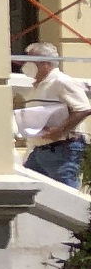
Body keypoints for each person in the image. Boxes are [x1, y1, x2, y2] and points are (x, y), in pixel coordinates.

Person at [17, 42, 91, 189]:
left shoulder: (60, 81)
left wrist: (60, 130)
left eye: (29, 60)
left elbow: (84, 108)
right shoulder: (38, 86)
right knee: (29, 190)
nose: (25, 65)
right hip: (40, 150)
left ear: (45, 63)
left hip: (62, 150)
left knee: (66, 196)